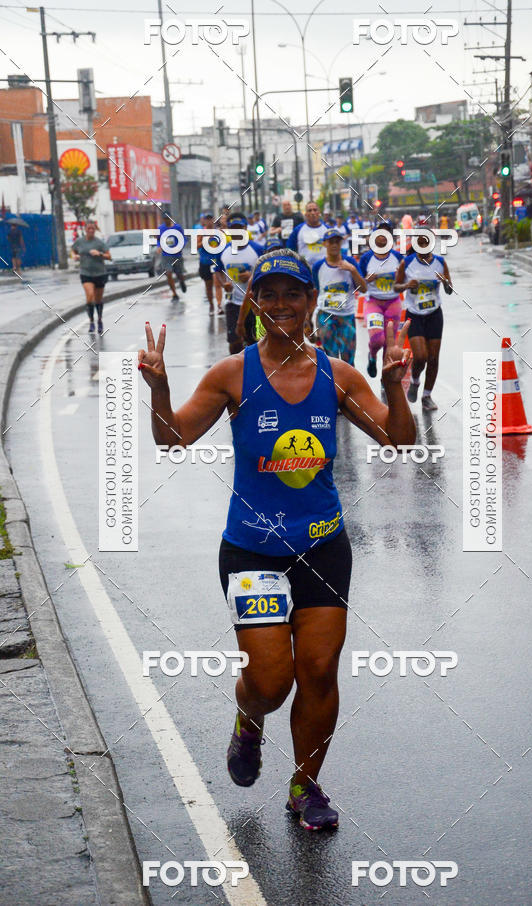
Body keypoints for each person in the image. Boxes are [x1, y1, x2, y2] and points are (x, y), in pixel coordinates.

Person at [137, 247, 415, 831]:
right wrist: (158, 389)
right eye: (269, 294)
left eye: (294, 293)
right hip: (251, 550)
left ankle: (305, 786)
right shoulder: (231, 375)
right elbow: (172, 438)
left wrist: (395, 389)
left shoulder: (337, 376)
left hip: (321, 545)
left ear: (312, 302)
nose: (281, 304)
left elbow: (400, 441)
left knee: (318, 671)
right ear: (254, 304)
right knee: (269, 682)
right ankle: (249, 720)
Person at [394, 230, 453, 411]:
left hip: (434, 313)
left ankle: (427, 396)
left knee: (433, 358)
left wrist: (445, 283)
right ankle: (415, 380)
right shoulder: (408, 262)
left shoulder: (440, 262)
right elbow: (396, 287)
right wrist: (406, 285)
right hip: (415, 314)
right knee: (420, 357)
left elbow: (450, 290)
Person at [312, 228, 366, 366]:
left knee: (349, 360)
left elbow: (364, 288)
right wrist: (308, 319)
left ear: (341, 243)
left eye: (337, 242)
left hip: (346, 317)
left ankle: (347, 387)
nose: (334, 245)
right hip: (326, 316)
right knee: (331, 360)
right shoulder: (318, 266)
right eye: (331, 242)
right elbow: (314, 292)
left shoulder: (351, 263)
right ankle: (333, 387)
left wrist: (353, 271)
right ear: (325, 244)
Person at [213, 213, 263, 354]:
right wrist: (224, 284)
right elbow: (217, 270)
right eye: (233, 229)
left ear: (246, 228)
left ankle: (257, 372)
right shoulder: (223, 250)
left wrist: (252, 276)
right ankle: (237, 371)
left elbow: (267, 274)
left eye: (240, 228)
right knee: (234, 342)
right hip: (232, 303)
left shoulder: (258, 249)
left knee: (258, 342)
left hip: (256, 305)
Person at [359, 222, 404, 378]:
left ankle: (386, 383)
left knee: (388, 344)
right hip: (373, 302)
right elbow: (359, 285)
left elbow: (403, 282)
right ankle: (372, 356)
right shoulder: (366, 258)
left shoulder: (398, 257)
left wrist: (400, 279)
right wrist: (366, 279)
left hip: (393, 303)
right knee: (377, 339)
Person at [72, 220, 111, 334]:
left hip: (100, 273)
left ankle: (99, 320)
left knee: (98, 299)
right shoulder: (80, 241)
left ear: (95, 230)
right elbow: (73, 251)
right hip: (86, 273)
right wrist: (74, 256)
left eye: (92, 229)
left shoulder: (99, 243)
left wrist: (100, 254)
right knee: (90, 296)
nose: (91, 231)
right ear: (85, 229)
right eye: (88, 228)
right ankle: (91, 321)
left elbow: (109, 256)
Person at [286, 202, 328, 267]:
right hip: (305, 270)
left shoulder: (328, 229)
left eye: (315, 210)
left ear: (319, 213)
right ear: (305, 214)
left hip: (324, 268)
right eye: (309, 210)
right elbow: (289, 250)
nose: (313, 213)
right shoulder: (298, 230)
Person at [197, 212, 223, 315]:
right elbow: (196, 246)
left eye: (211, 219)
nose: (209, 221)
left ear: (214, 220)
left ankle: (219, 306)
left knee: (217, 284)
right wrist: (205, 240)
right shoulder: (201, 232)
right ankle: (211, 305)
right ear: (204, 221)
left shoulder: (218, 232)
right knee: (208, 286)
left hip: (215, 262)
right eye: (207, 219)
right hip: (205, 262)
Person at [158, 210, 187, 302]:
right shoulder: (160, 228)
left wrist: (180, 247)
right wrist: (159, 246)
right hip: (166, 255)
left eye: (168, 218)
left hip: (177, 254)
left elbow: (184, 239)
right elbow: (158, 240)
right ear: (163, 219)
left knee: (179, 274)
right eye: (165, 219)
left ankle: (181, 281)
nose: (167, 220)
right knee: (169, 273)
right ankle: (174, 294)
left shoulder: (177, 227)